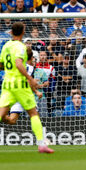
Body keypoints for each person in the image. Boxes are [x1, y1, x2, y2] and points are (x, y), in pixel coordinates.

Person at [0, 22, 54, 153]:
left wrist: (9, 68)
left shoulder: (6, 45)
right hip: (20, 84)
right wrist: (30, 79)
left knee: (2, 115)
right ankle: (41, 145)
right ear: (23, 32)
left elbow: (1, 65)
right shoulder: (20, 47)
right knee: (33, 113)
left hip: (7, 83)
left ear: (11, 32)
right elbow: (19, 64)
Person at [2, 47, 43, 125]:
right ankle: (41, 136)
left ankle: (2, 116)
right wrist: (36, 91)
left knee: (12, 120)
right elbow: (27, 82)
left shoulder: (15, 66)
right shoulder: (29, 68)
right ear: (31, 58)